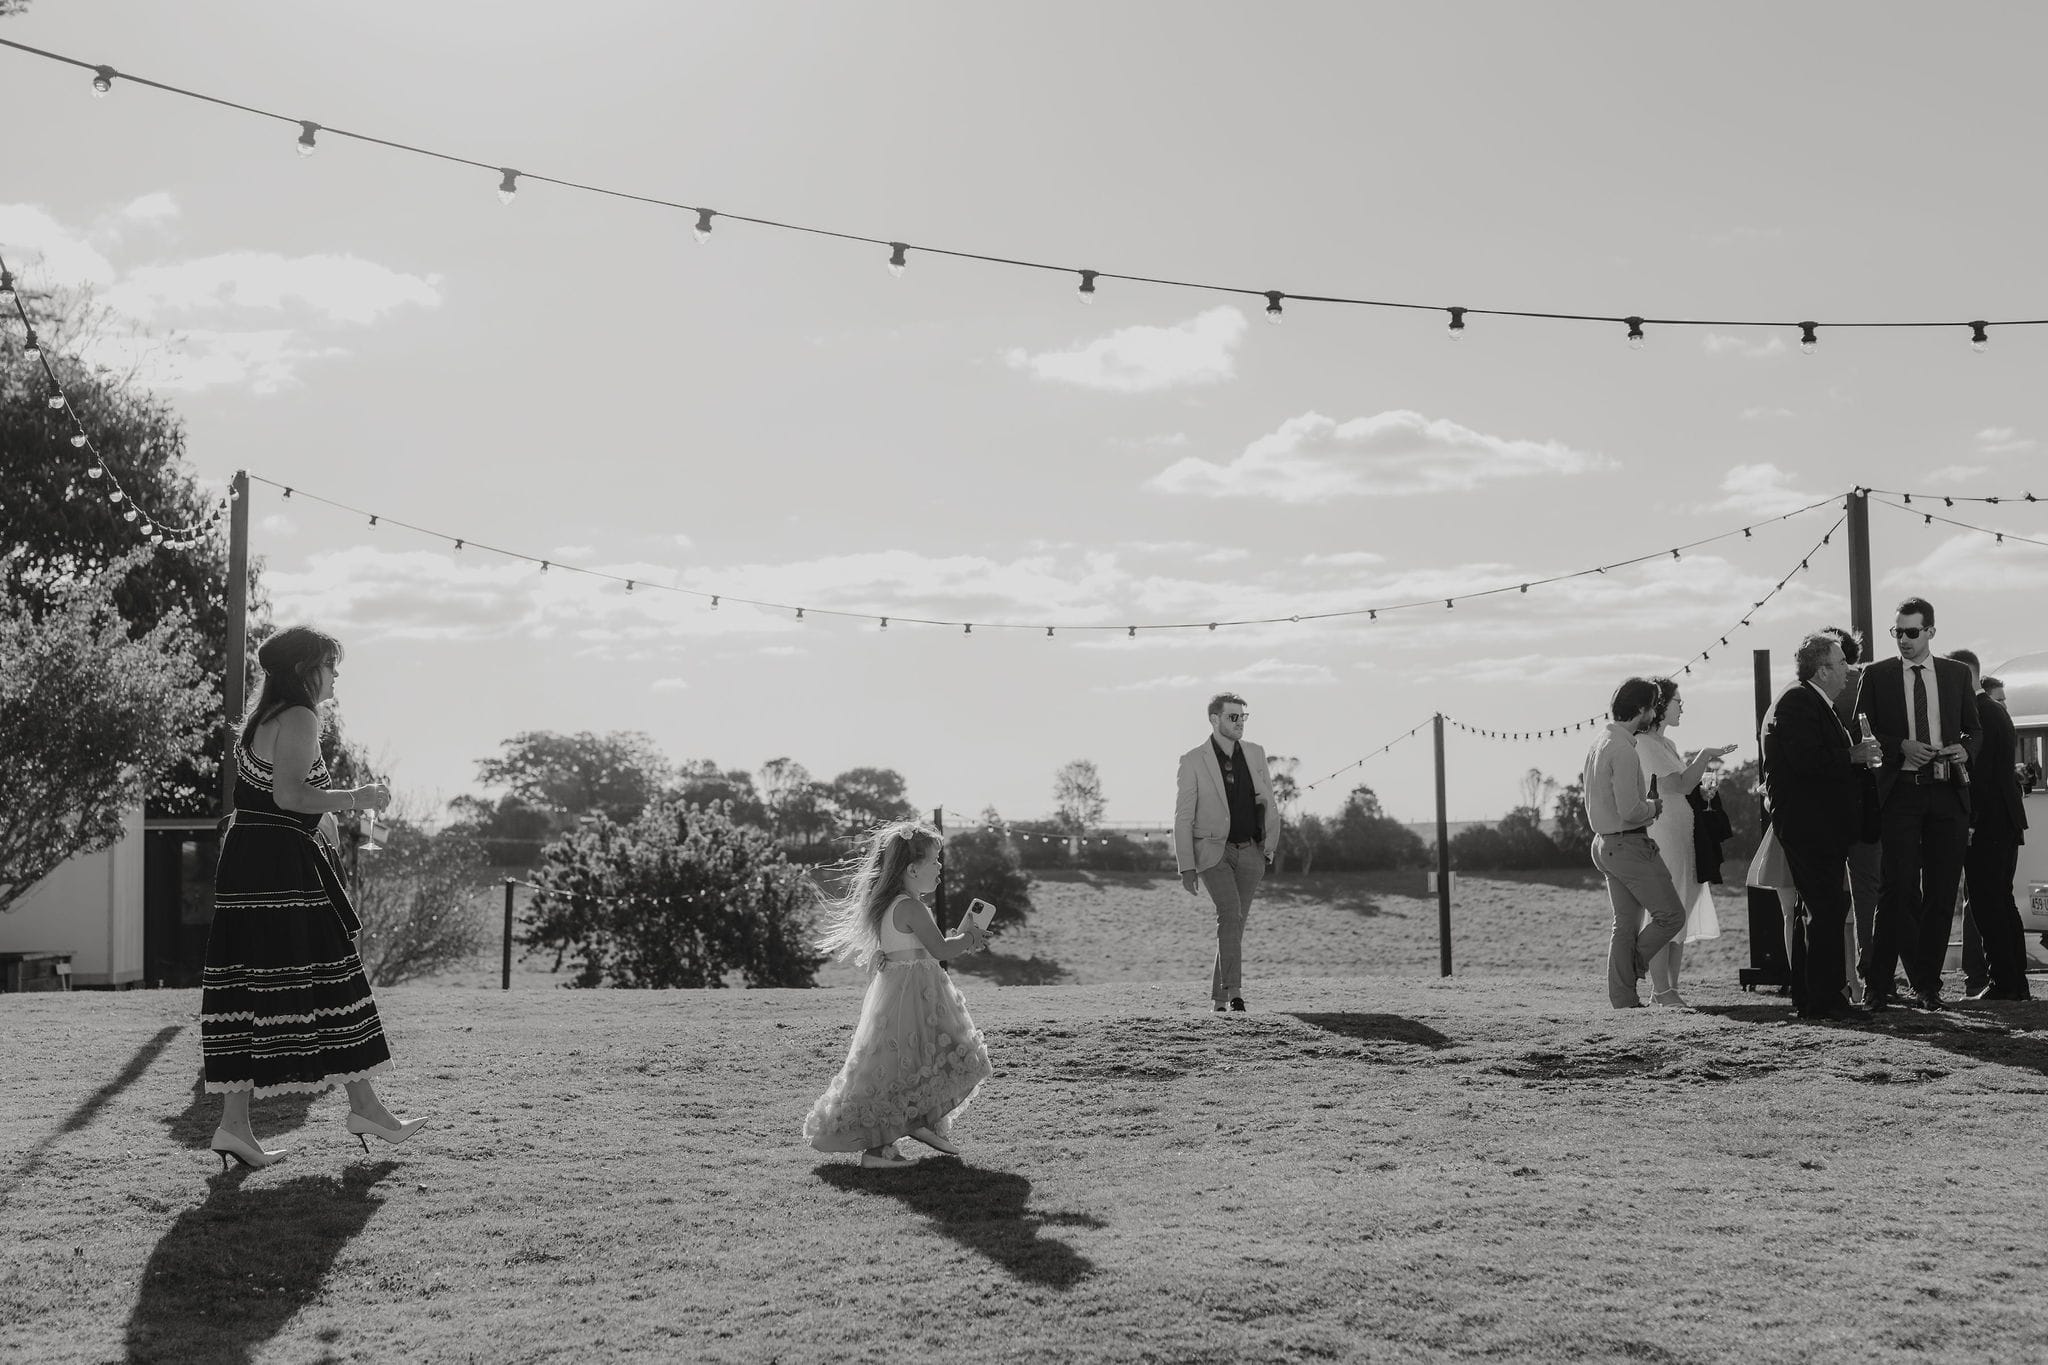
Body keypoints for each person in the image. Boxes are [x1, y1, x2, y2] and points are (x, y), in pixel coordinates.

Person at [200, 626, 421, 1170]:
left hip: (255, 862)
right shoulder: (299, 717)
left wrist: (330, 813)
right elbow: (290, 795)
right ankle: (366, 1109)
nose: (336, 674)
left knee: (250, 988)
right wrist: (359, 797)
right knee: (330, 973)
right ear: (306, 670)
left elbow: (279, 798)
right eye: (330, 664)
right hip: (279, 871)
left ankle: (236, 1126)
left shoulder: (266, 719)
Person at [804, 821, 993, 1169]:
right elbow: (938, 948)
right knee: (929, 1053)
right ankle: (882, 1148)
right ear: (911, 868)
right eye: (935, 861)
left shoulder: (894, 904)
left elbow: (914, 947)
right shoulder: (911, 907)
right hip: (914, 993)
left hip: (904, 989)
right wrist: (968, 939)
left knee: (913, 1058)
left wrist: (961, 939)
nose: (940, 868)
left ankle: (921, 1122)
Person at [1853, 597, 1981, 1010]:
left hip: (1947, 792)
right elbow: (1863, 734)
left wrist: (1965, 750)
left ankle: (1927, 986)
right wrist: (1900, 746)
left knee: (1942, 893)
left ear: (1930, 631)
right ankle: (1877, 984)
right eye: (1897, 632)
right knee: (1897, 889)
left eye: (1911, 632)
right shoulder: (1876, 675)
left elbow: (1974, 731)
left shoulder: (1957, 673)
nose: (1904, 641)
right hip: (1902, 792)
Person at [1761, 632, 1886, 1019]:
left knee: (1816, 909)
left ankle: (1812, 996)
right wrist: (1854, 754)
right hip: (1809, 823)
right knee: (1826, 909)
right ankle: (1825, 1000)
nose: (1849, 670)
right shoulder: (1799, 700)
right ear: (1822, 669)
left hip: (1818, 823)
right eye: (1841, 663)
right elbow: (1806, 760)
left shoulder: (1815, 701)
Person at [1584, 678, 1689, 1008]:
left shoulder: (1599, 742)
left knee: (1625, 926)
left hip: (1604, 844)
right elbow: (1630, 811)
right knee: (1671, 916)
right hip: (1629, 844)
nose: (1654, 713)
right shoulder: (1625, 751)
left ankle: (1624, 1000)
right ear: (1642, 710)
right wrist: (1654, 807)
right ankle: (1629, 973)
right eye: (1652, 707)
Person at [1632, 678, 1738, 1005]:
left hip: (1684, 833)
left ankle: (1670, 989)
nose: (1683, 707)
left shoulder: (1669, 745)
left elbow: (1686, 787)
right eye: (1678, 701)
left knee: (1682, 906)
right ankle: (1661, 990)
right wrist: (1706, 755)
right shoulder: (1645, 744)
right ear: (1660, 705)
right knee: (1668, 908)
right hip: (1664, 833)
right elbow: (1678, 784)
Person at [1173, 692, 1281, 1012]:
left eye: (1242, 717)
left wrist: (1266, 849)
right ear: (1214, 719)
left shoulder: (1256, 754)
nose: (1239, 723)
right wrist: (1186, 867)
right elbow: (1183, 817)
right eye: (1233, 717)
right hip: (1212, 853)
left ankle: (1218, 999)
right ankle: (1234, 993)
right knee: (1229, 914)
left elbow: (1268, 802)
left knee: (1235, 924)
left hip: (1251, 852)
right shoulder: (1193, 760)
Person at [1947, 651, 2032, 1001]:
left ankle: (2004, 981)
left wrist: (1971, 822)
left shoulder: (1978, 715)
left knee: (1986, 902)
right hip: (2006, 821)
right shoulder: (1996, 711)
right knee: (2001, 900)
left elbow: (1978, 778)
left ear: (1964, 676)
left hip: (1989, 823)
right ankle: (2014, 980)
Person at [1820, 626, 1886, 1004]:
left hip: (1831, 806)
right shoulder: (1870, 683)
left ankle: (1839, 979)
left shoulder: (1811, 694)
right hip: (1868, 804)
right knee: (1869, 895)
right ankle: (1872, 974)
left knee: (1825, 897)